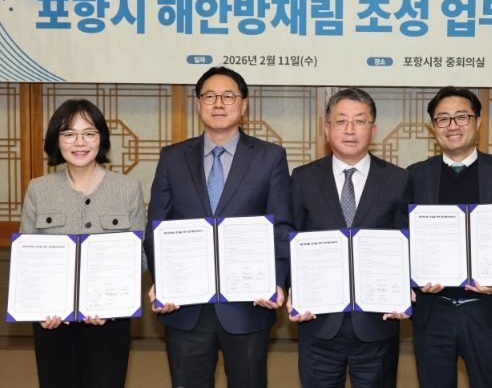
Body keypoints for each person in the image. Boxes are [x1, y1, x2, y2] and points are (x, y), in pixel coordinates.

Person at [145, 66, 292, 388]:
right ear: (198, 104)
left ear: (244, 105)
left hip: (248, 303)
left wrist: (277, 281)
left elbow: (281, 226)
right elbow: (157, 227)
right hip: (186, 306)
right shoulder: (172, 157)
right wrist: (164, 281)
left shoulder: (270, 157)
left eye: (228, 96)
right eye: (209, 96)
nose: (219, 103)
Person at [404, 86, 492, 388]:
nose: (452, 126)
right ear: (433, 127)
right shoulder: (416, 175)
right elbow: (403, 234)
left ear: (478, 121)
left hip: (486, 307)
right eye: (443, 119)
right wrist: (413, 276)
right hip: (433, 308)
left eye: (461, 117)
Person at [20, 98, 146, 388]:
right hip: (52, 320)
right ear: (56, 140)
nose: (79, 143)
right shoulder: (39, 189)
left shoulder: (127, 188)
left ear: (101, 138)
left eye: (89, 133)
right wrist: (40, 307)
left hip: (109, 320)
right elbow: (27, 261)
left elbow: (138, 257)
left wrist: (109, 302)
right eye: (69, 134)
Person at [288, 87, 408, 388]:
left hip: (377, 324)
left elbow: (408, 245)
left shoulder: (398, 179)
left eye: (360, 121)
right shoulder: (303, 178)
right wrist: (291, 288)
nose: (350, 129)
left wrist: (406, 288)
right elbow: (290, 239)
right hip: (318, 321)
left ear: (373, 129)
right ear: (327, 129)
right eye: (341, 121)